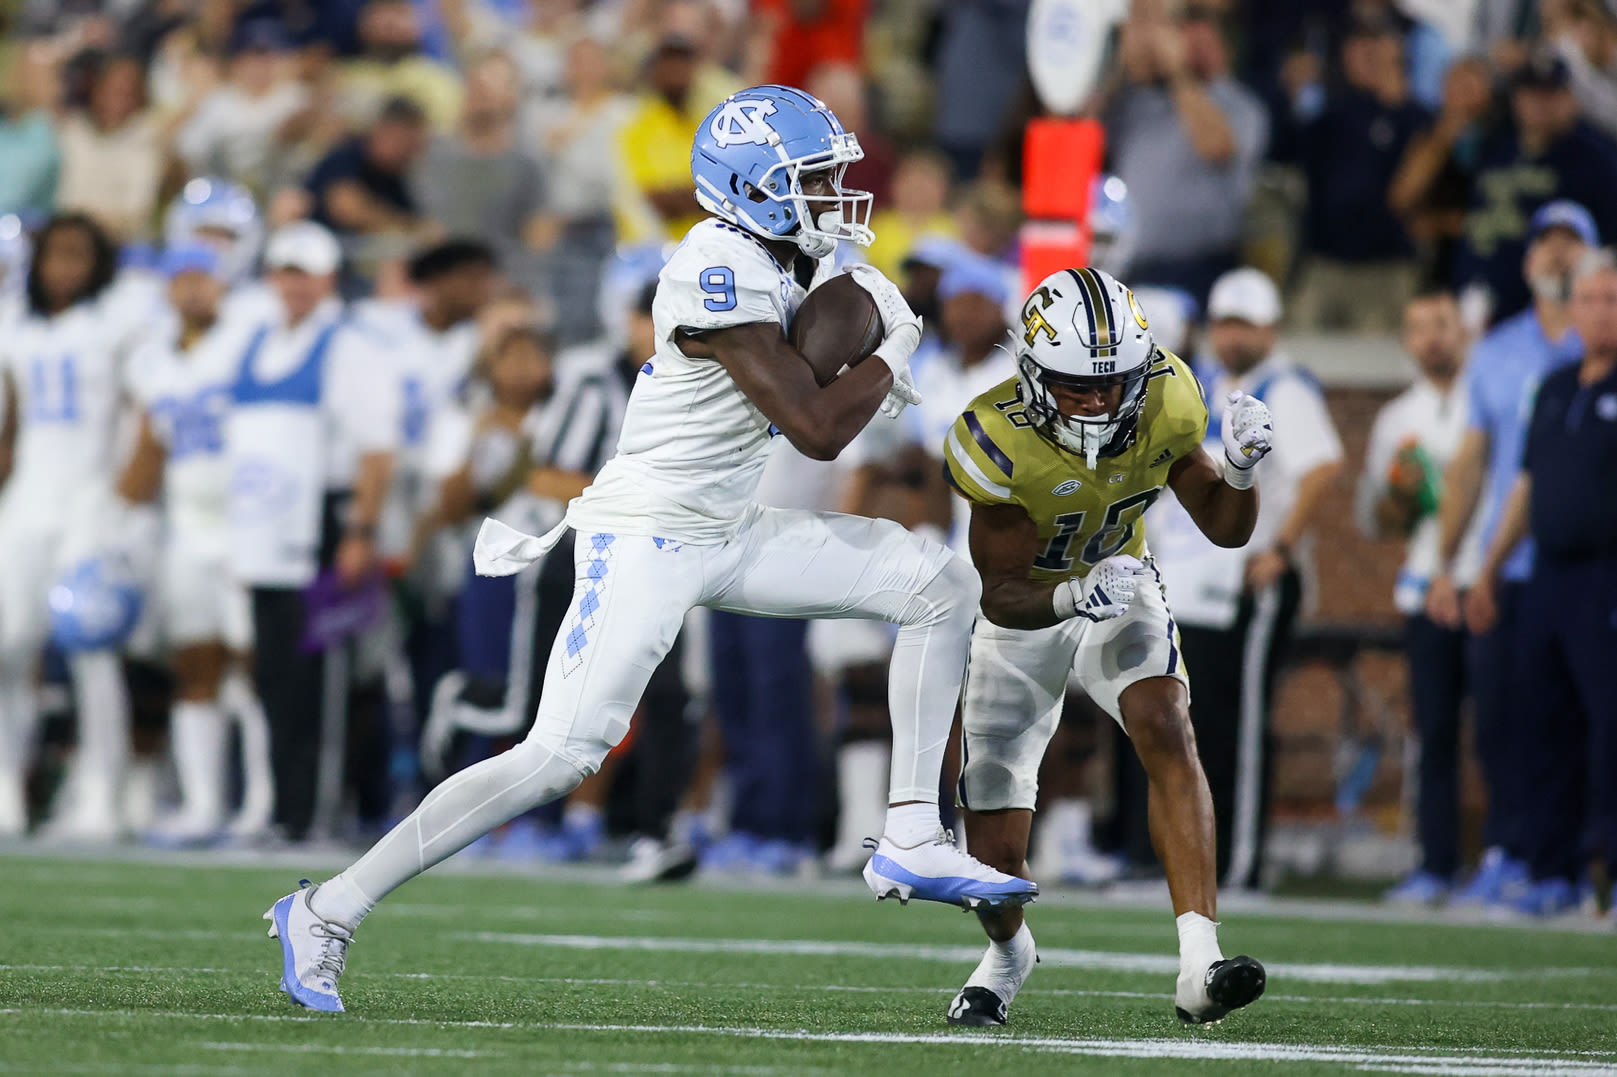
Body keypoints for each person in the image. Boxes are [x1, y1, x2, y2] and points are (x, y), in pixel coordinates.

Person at [266, 85, 1036, 1015]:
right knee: (560, 753)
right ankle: (326, 906)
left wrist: (874, 328)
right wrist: (892, 346)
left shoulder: (795, 257)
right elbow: (813, 428)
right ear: (752, 187)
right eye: (815, 177)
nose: (837, 193)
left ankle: (912, 825)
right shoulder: (712, 262)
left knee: (937, 581)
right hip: (645, 533)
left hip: (726, 526)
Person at [943, 266, 1271, 1027]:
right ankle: (1006, 951)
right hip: (1026, 612)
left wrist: (1244, 471)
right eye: (1074, 386)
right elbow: (998, 590)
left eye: (1111, 382)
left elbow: (1223, 528)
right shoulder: (991, 436)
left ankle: (1200, 961)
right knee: (992, 845)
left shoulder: (1167, 396)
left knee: (1164, 721)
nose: (1096, 401)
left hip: (1121, 585)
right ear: (1031, 374)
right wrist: (1065, 595)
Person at [1148, 267, 1344, 892]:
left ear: (1270, 329)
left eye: (1245, 323)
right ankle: (1210, 854)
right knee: (1199, 720)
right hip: (1201, 580)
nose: (1232, 335)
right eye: (1225, 322)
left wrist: (1281, 549)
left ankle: (1243, 861)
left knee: (1242, 721)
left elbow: (1321, 469)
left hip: (1255, 576)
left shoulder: (1285, 388)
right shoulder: (1204, 385)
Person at [1425, 200, 1590, 911]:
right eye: (1545, 245)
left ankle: (1574, 860)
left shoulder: (1597, 347)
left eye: (1569, 246)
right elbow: (1470, 463)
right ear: (1525, 262)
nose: (1554, 257)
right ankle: (1508, 850)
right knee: (1501, 721)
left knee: (1582, 721)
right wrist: (1447, 560)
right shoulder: (1495, 351)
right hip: (1505, 566)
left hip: (1581, 563)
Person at [225, 221, 402, 845]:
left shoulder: (350, 346)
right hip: (265, 531)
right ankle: (283, 809)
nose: (294, 284)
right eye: (285, 271)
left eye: (306, 273)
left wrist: (361, 529)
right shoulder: (256, 342)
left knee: (321, 678)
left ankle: (317, 809)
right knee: (272, 673)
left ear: (327, 279)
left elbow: (377, 450)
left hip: (325, 524)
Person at [1469, 247, 1617, 918]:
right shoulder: (1556, 384)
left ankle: (1609, 869)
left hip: (1606, 575)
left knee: (1608, 724)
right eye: (1588, 299)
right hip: (1545, 574)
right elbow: (1523, 486)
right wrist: (1489, 565)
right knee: (1543, 724)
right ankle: (1549, 868)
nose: (1597, 312)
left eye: (1610, 299)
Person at [117, 244, 274, 844]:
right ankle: (203, 805)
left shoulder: (247, 341)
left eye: (202, 279)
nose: (191, 291)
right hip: (186, 524)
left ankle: (263, 802)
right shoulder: (152, 362)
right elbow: (149, 450)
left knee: (253, 665)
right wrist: (118, 527)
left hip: (244, 520)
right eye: (180, 280)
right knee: (195, 664)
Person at [0, 213, 144, 838]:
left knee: (91, 646)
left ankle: (100, 793)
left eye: (77, 254)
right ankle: (7, 785)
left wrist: (121, 501)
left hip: (90, 501)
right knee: (8, 645)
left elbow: (142, 414)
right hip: (30, 497)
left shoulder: (118, 322)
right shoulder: (16, 325)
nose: (64, 267)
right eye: (54, 254)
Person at [1354, 289, 1477, 904]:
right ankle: (1438, 863)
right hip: (1425, 588)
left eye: (1442, 325)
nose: (1432, 338)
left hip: (1488, 584)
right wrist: (1399, 494)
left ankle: (1519, 858)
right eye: (1419, 328)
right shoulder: (1397, 418)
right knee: (1434, 732)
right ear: (1406, 341)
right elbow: (1377, 520)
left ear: (1465, 331)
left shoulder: (1489, 400)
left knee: (1510, 731)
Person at [1106, 0, 1269, 303]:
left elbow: (1216, 147)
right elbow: (1087, 123)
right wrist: (1123, 58)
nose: (1187, 42)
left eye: (1202, 33)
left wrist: (1179, 73)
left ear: (1225, 46)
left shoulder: (1242, 106)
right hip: (1132, 266)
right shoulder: (1140, 101)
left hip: (1200, 267)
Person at [1289, 14, 1430, 332]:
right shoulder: (1328, 114)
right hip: (1324, 261)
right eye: (1359, 45)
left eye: (1376, 44)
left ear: (1395, 52)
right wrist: (1294, 93)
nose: (1368, 54)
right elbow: (1288, 151)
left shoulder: (1414, 115)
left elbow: (1423, 179)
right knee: (1301, 351)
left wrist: (1397, 105)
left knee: (1382, 371)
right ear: (1345, 54)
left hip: (1386, 266)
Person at [1453, 53, 1617, 326]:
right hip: (1479, 301)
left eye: (1549, 94)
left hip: (1557, 312)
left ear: (1570, 98)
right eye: (1530, 94)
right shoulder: (1498, 148)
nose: (1539, 105)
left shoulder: (1597, 159)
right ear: (1516, 98)